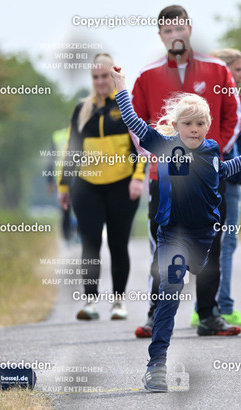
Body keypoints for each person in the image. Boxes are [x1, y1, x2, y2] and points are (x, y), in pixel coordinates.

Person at [111, 65, 241, 392]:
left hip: (205, 234)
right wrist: (121, 86)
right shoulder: (164, 145)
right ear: (176, 126)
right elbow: (133, 122)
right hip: (172, 233)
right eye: (188, 124)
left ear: (207, 126)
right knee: (170, 293)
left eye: (200, 124)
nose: (194, 130)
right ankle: (156, 365)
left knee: (196, 269)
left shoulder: (211, 149)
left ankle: (191, 272)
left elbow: (223, 170)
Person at [130, 5, 241, 338]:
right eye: (167, 30)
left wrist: (209, 157)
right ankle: (156, 313)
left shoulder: (217, 69)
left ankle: (208, 315)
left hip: (208, 181)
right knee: (163, 247)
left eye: (179, 28)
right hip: (164, 179)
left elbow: (233, 116)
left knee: (211, 246)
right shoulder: (147, 75)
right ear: (160, 35)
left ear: (189, 30)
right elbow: (136, 125)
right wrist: (160, 157)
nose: (174, 35)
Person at [57, 53, 145, 321]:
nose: (100, 81)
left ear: (113, 76)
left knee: (118, 244)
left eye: (105, 76)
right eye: (95, 77)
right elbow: (72, 149)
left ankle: (118, 302)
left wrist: (138, 178)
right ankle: (90, 301)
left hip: (122, 185)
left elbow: (141, 146)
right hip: (88, 187)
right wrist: (64, 185)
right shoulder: (82, 109)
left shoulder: (127, 105)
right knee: (90, 245)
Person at [210, 48, 241, 327]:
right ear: (225, 70)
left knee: (214, 243)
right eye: (237, 70)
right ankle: (222, 306)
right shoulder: (226, 100)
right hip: (225, 178)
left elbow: (240, 140)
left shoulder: (219, 98)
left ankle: (205, 306)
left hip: (226, 176)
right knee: (225, 243)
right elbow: (231, 139)